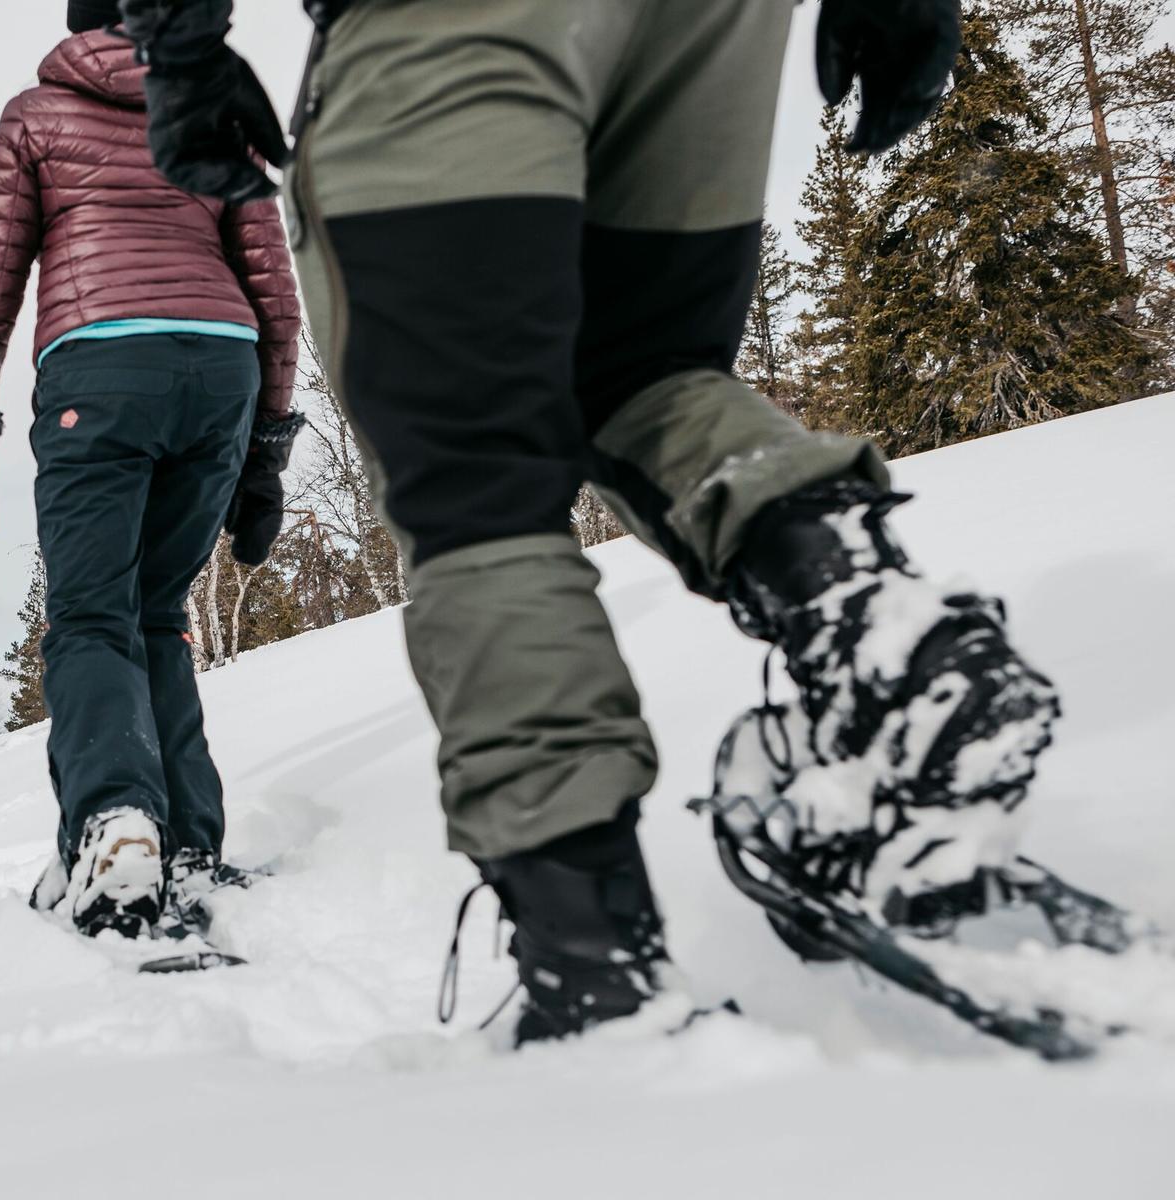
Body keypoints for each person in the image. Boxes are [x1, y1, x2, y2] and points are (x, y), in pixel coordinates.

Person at [119, 0, 1061, 1041]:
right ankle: (894, 639)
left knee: (470, 465)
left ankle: (590, 957)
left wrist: (178, 43)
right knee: (646, 377)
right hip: (714, 28)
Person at [0, 0, 303, 938]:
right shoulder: (215, 106)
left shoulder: (36, 113)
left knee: (93, 615)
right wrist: (264, 448)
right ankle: (187, 843)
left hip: (100, 366)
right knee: (159, 614)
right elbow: (274, 290)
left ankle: (112, 822)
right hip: (222, 366)